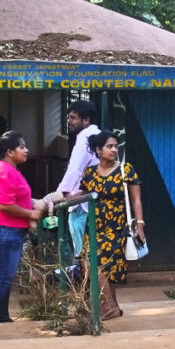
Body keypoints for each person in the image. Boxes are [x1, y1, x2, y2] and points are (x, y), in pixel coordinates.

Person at [75, 130, 145, 320]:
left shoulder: (125, 169)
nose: (114, 150)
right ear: (98, 150)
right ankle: (113, 306)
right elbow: (80, 194)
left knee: (98, 264)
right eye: (109, 146)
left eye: (116, 146)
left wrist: (140, 225)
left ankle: (108, 306)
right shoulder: (90, 173)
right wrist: (55, 201)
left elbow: (136, 200)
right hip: (94, 228)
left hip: (116, 228)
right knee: (96, 264)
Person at [0, 130, 45, 324]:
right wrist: (31, 214)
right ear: (10, 152)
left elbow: (17, 199)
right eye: (22, 147)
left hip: (8, 230)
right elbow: (4, 205)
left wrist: (35, 203)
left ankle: (2, 316)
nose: (26, 150)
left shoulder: (10, 170)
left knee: (6, 278)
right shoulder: (4, 172)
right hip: (3, 230)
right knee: (3, 278)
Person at [49, 100, 100, 256]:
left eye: (73, 118)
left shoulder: (85, 137)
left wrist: (60, 193)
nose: (69, 122)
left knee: (82, 251)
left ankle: (84, 277)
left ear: (86, 120)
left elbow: (75, 169)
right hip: (93, 196)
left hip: (81, 200)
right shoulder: (98, 135)